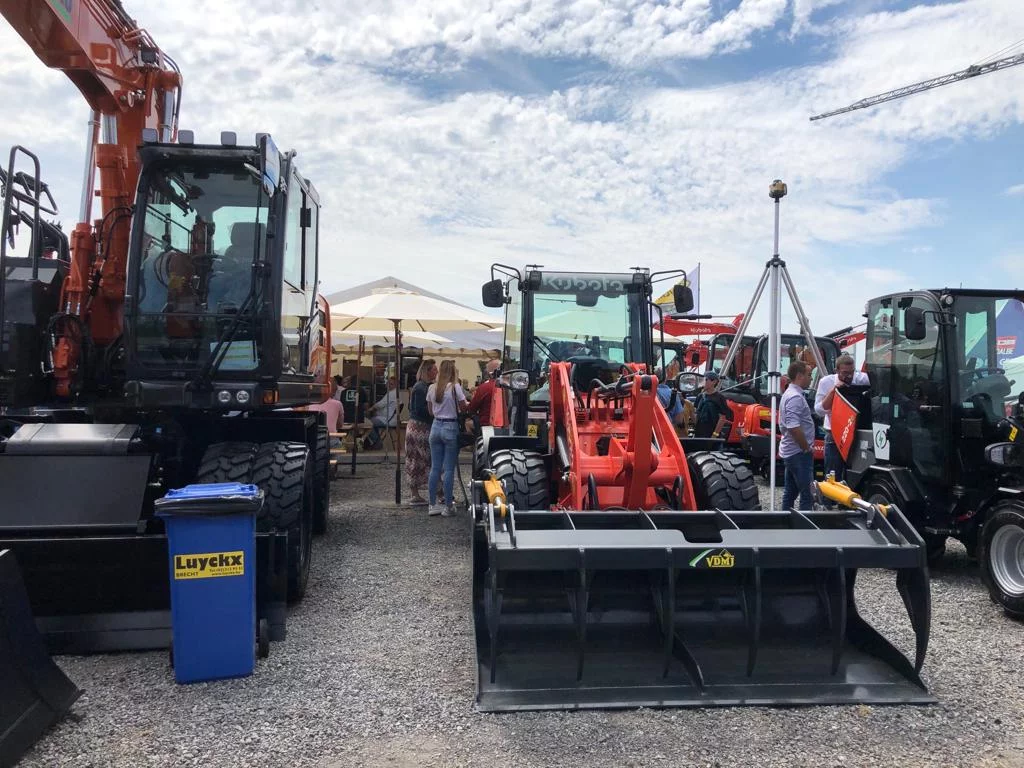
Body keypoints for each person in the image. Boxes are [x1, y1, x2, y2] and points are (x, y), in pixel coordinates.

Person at [814, 353, 870, 483]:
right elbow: (819, 410)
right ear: (837, 370)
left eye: (851, 372)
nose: (849, 376)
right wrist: (834, 390)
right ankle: (828, 502)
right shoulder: (826, 382)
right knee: (832, 471)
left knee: (854, 468)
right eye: (845, 373)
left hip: (856, 430)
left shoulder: (861, 379)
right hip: (834, 432)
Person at [426, 360, 468, 517]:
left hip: (435, 427)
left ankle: (432, 505)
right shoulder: (455, 387)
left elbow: (430, 411)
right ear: (452, 371)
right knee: (449, 469)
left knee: (435, 468)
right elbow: (464, 407)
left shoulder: (432, 388)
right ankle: (448, 506)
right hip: (450, 427)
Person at [780, 360, 816, 511]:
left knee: (790, 492)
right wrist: (806, 448)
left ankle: (784, 524)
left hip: (792, 452)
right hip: (798, 453)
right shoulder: (795, 397)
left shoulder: (789, 394)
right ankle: (805, 529)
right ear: (800, 376)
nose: (811, 378)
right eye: (809, 375)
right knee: (808, 494)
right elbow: (794, 427)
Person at [406, 359, 437, 506]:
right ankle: (440, 492)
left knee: (415, 459)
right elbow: (421, 410)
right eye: (434, 369)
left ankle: (415, 493)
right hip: (421, 427)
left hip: (414, 426)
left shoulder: (420, 386)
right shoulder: (422, 388)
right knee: (429, 459)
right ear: (428, 371)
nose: (436, 372)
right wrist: (435, 411)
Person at [363, 376, 398, 449]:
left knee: (369, 423)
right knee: (372, 421)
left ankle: (376, 442)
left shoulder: (392, 394)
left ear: (395, 385)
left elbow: (380, 405)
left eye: (391, 384)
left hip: (388, 419)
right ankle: (376, 441)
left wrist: (371, 409)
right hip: (389, 418)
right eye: (388, 383)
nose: (388, 385)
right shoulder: (393, 393)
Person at [693, 371, 731, 438]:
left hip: (712, 435)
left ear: (714, 382)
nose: (703, 382)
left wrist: (715, 435)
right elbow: (696, 414)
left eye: (706, 380)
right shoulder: (700, 396)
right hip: (699, 434)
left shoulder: (720, 398)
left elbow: (722, 418)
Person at [468, 359, 502, 428]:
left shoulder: (484, 387)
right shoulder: (509, 386)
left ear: (489, 373)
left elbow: (472, 408)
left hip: (486, 426)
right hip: (506, 426)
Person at [654, 362, 687, 428]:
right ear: (665, 377)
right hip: (666, 431)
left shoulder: (645, 393)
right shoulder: (673, 394)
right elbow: (679, 420)